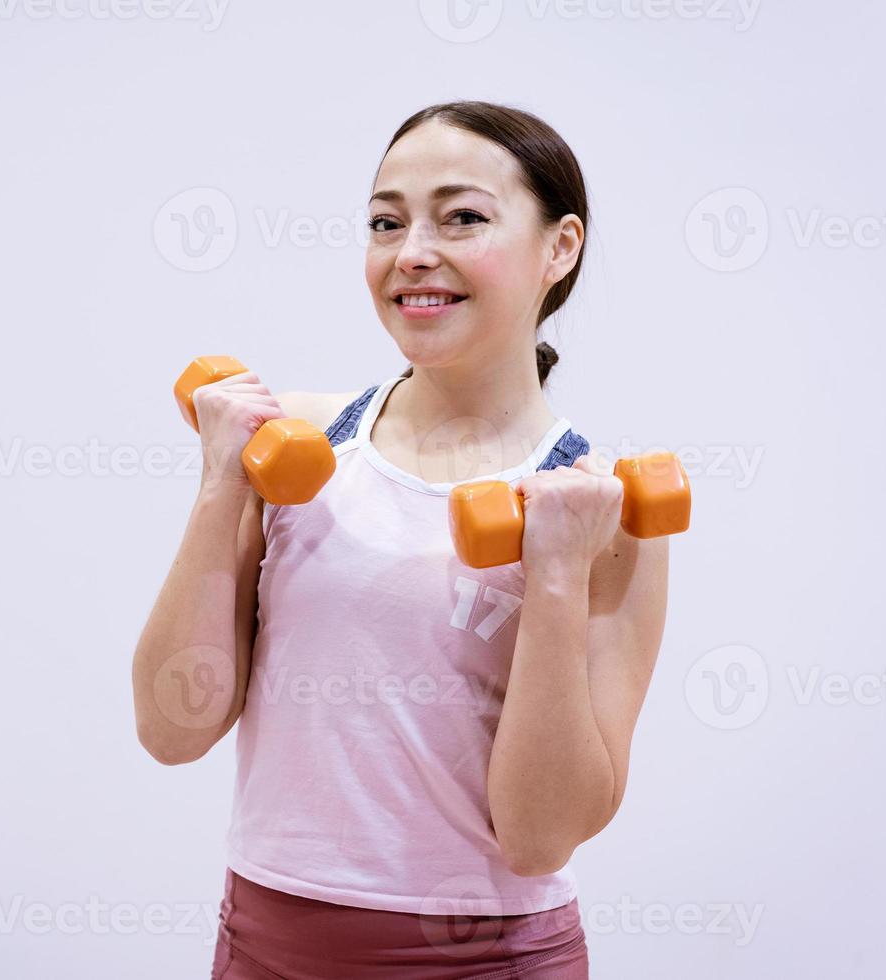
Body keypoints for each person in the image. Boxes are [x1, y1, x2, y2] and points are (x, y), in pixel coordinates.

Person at [132, 100, 670, 978]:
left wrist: (560, 577)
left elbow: (538, 840)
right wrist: (219, 484)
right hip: (267, 943)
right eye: (387, 222)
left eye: (462, 217)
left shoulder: (604, 511)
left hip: (487, 958)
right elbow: (172, 727)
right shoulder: (290, 447)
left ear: (559, 247)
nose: (412, 251)